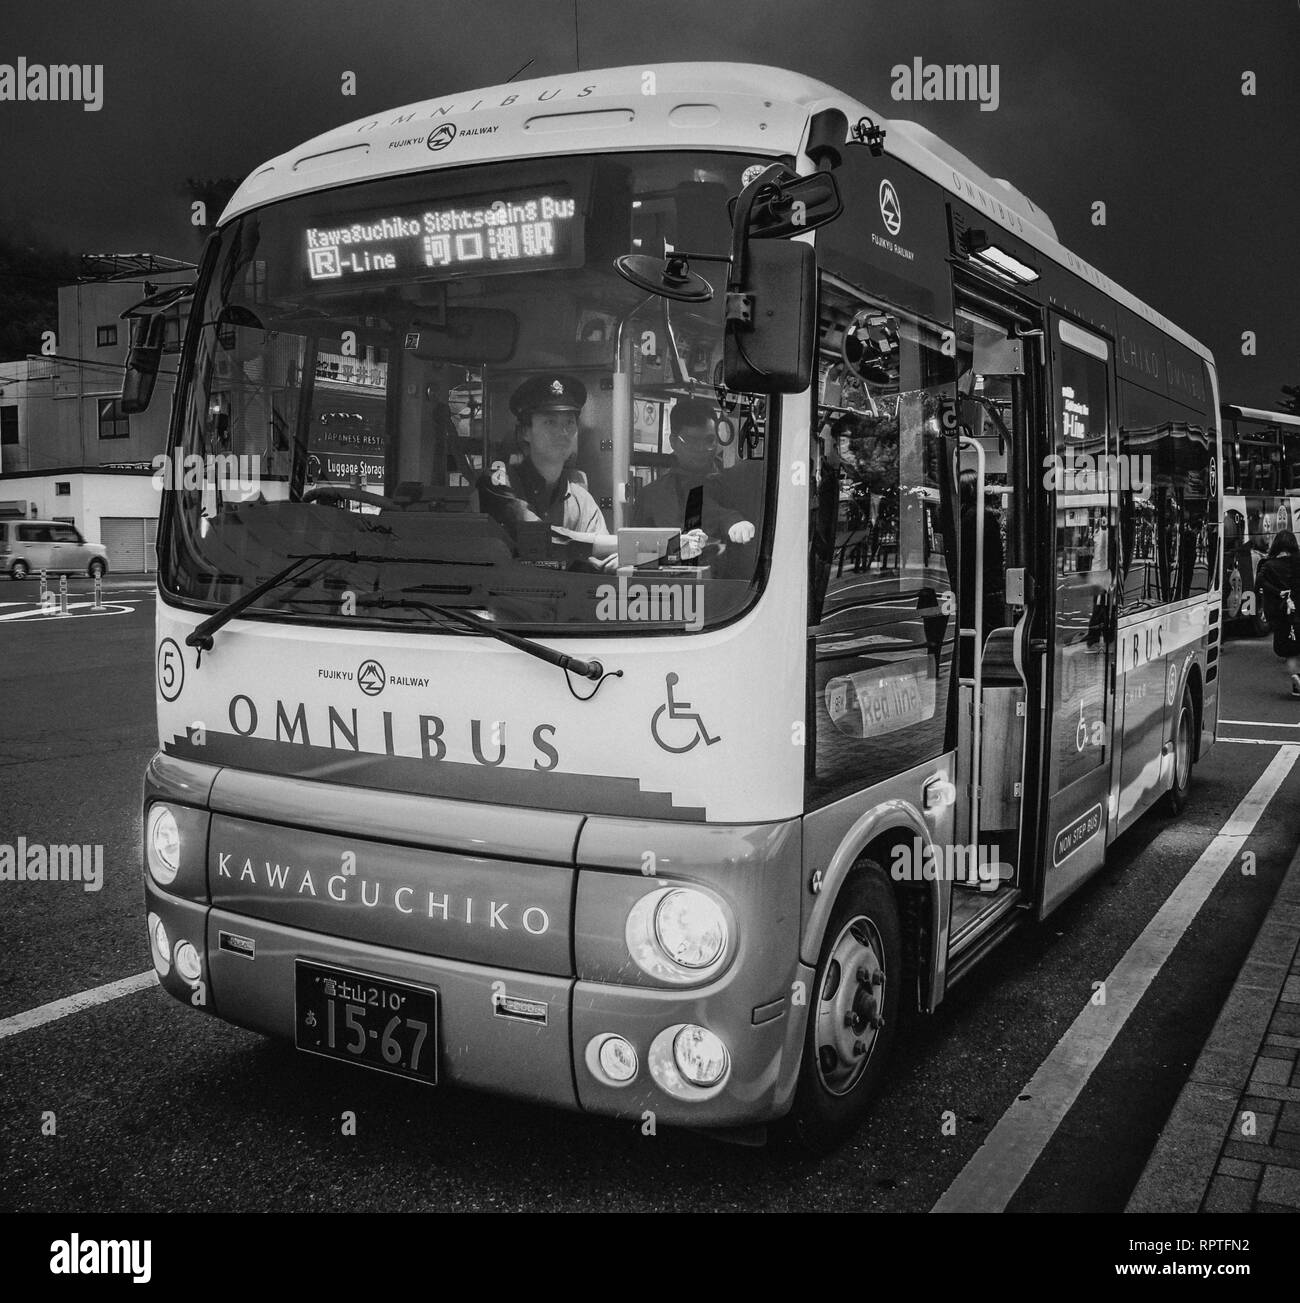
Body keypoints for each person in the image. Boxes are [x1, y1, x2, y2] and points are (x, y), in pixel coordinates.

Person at [477, 373, 617, 563]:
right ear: (525, 432)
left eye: (569, 422)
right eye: (550, 422)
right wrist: (617, 544)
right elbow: (534, 539)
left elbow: (600, 565)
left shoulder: (582, 501)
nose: (563, 432)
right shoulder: (497, 481)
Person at [631, 398, 755, 546]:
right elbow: (636, 549)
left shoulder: (737, 483)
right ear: (673, 442)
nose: (701, 449)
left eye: (709, 440)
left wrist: (735, 522)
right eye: (692, 441)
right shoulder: (652, 497)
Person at [958, 469, 1005, 677]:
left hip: (972, 593)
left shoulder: (964, 517)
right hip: (987, 591)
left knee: (969, 651)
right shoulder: (982, 516)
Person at [1256, 529, 1300, 697]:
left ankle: (1295, 679)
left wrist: (1277, 593)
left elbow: (1259, 584)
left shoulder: (1268, 565)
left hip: (1283, 616)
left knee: (1290, 651)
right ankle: (1297, 683)